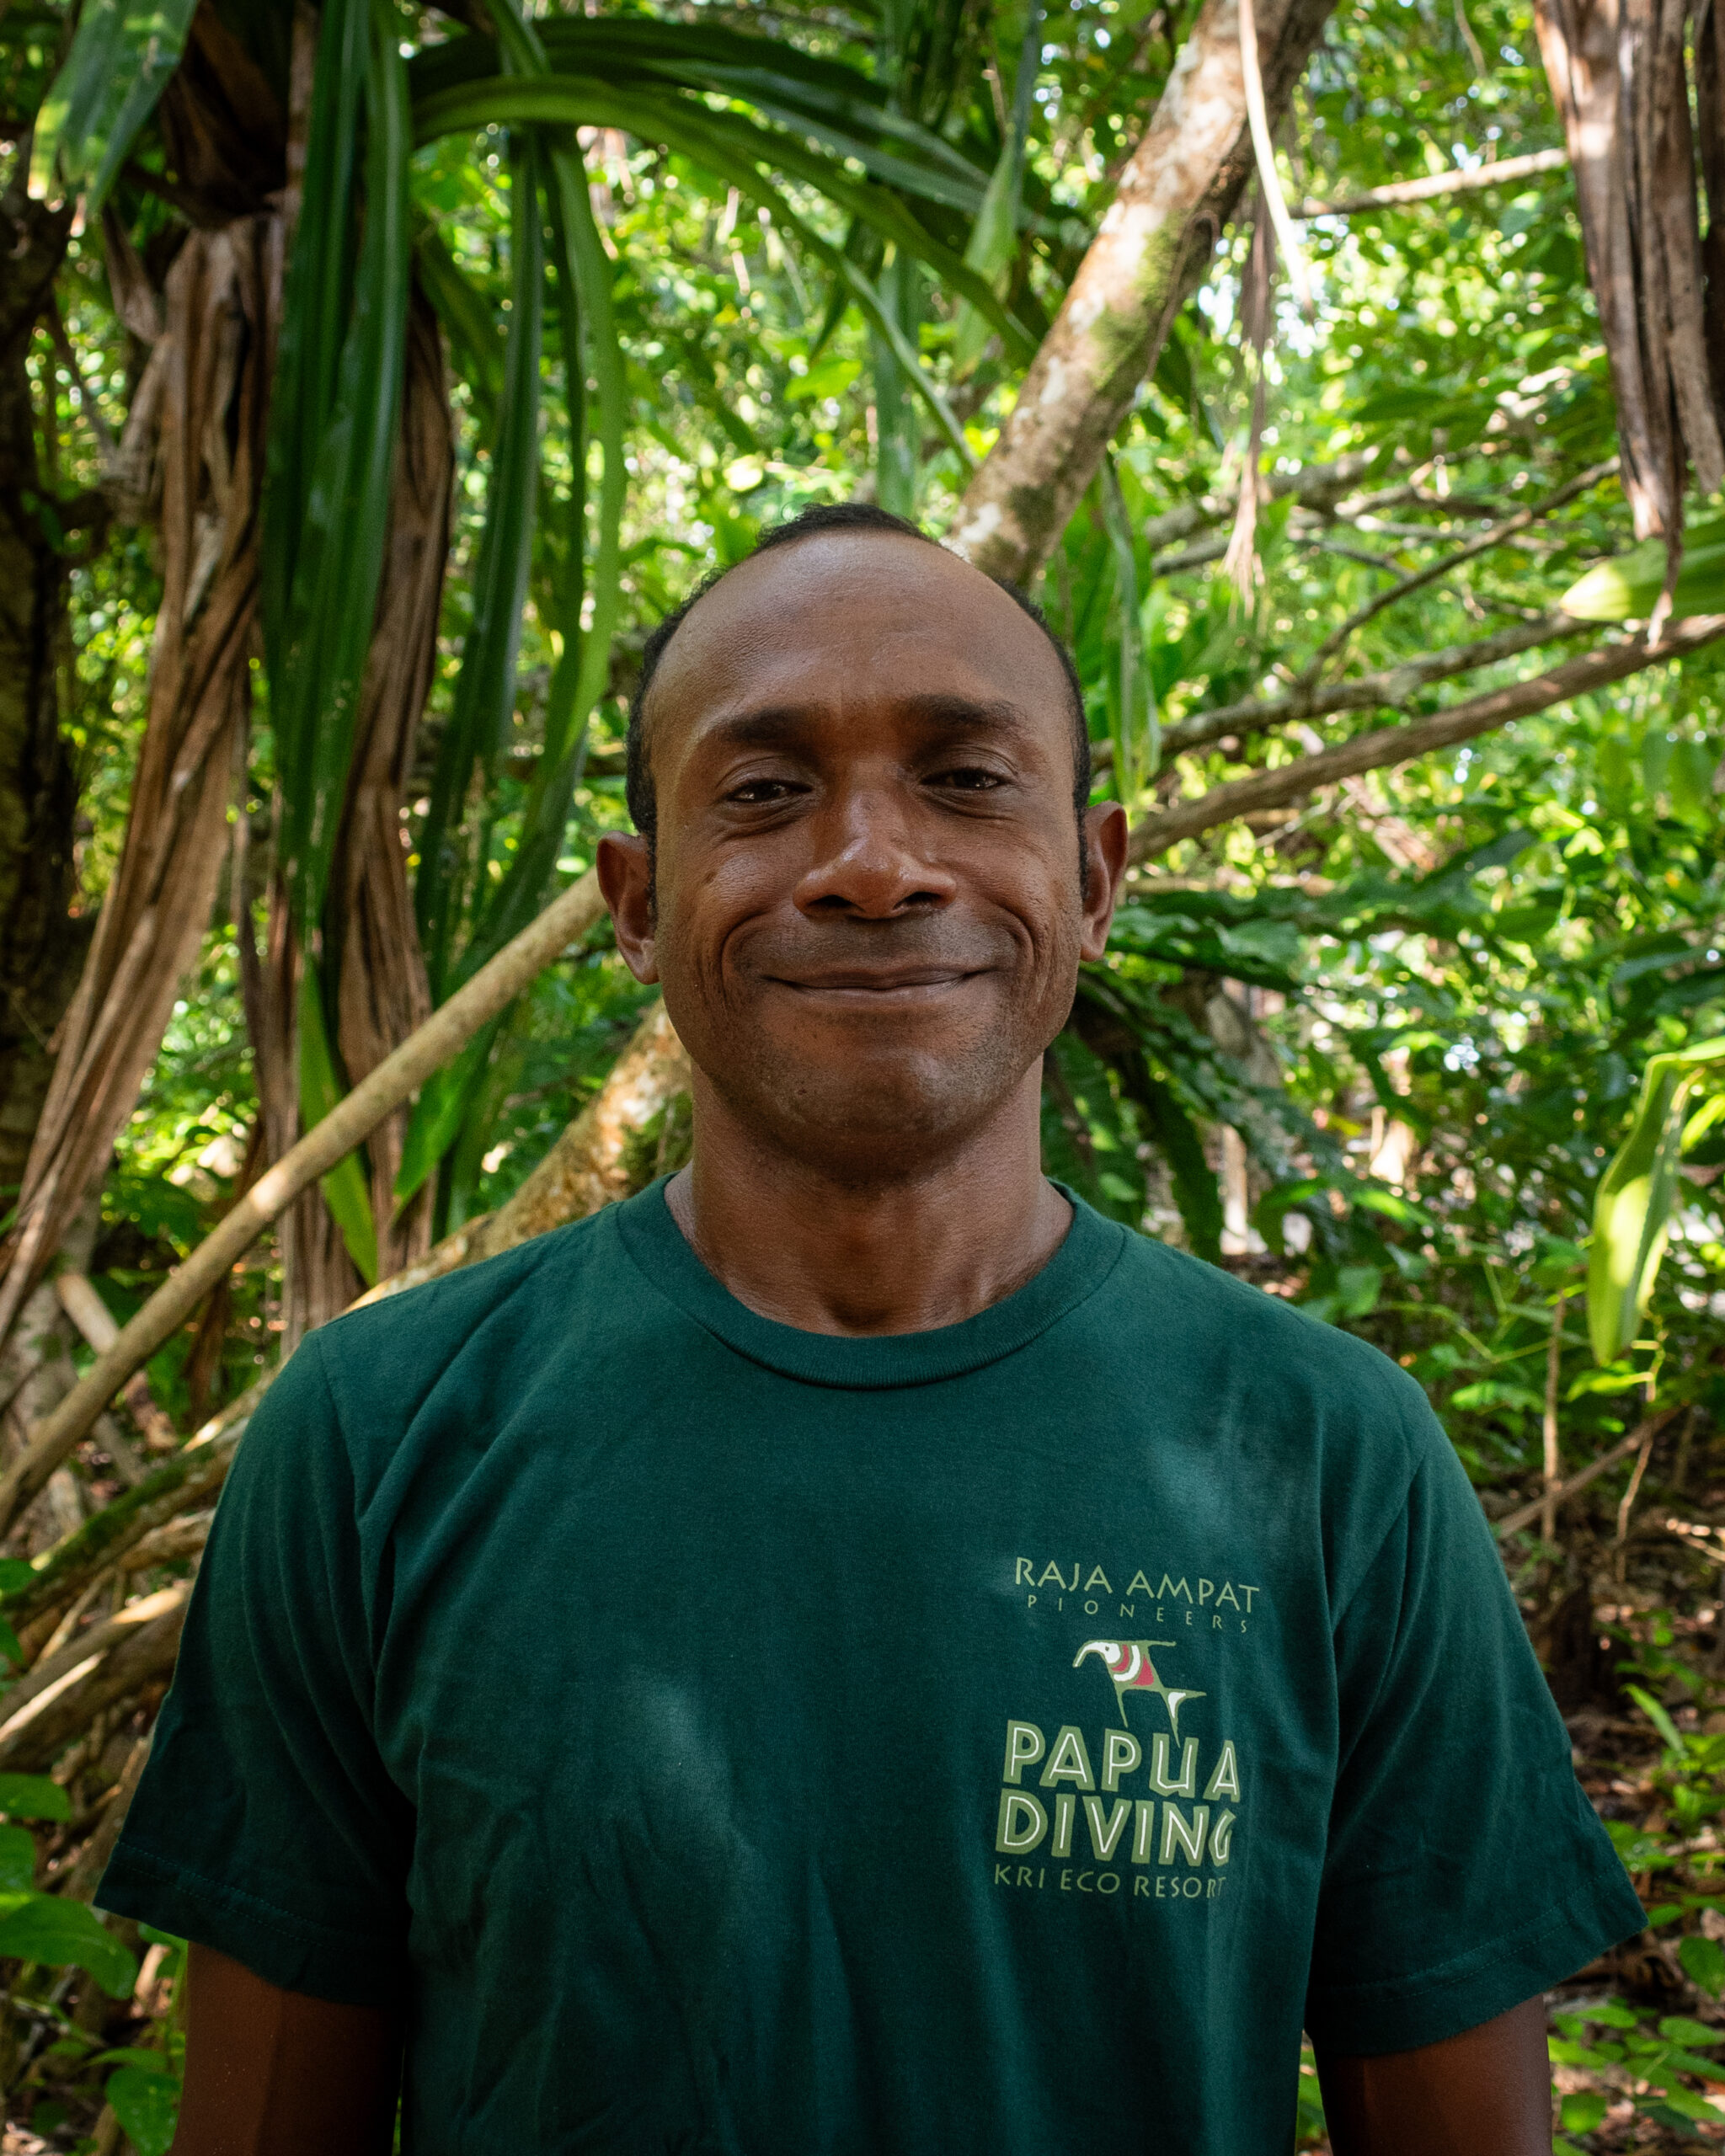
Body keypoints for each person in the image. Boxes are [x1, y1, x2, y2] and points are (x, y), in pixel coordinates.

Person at [100, 504, 1642, 2155]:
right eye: (764, 792)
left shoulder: (1326, 1453)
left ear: (1094, 878)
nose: (872, 865)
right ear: (637, 902)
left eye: (966, 778)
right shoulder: (378, 1431)